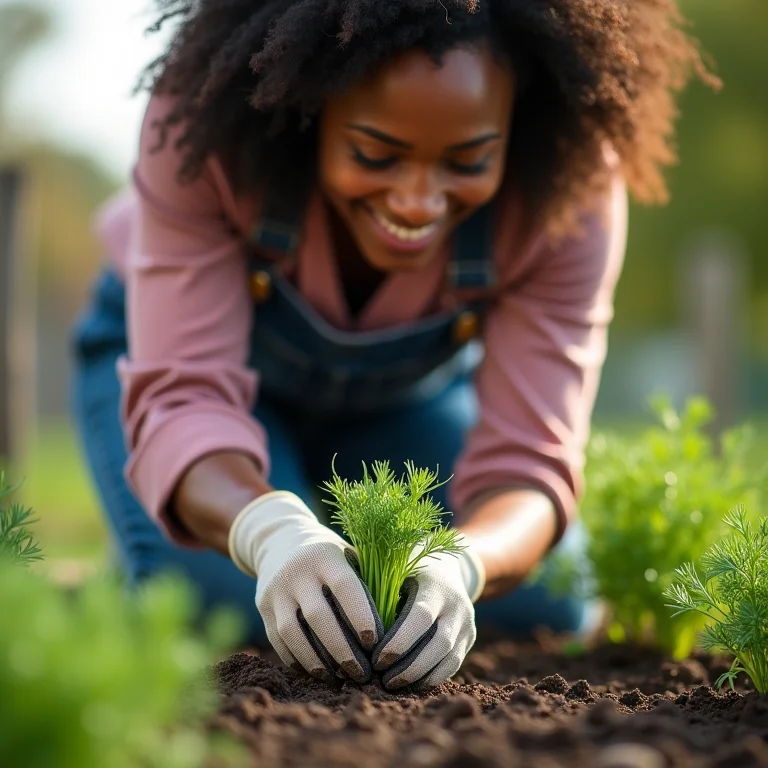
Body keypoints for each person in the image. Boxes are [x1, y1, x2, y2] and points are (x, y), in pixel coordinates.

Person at [70, 0, 714, 691]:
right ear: (312, 111)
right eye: (375, 154)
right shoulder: (204, 125)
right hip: (180, 381)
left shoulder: (568, 190)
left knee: (546, 600)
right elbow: (188, 399)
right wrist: (273, 531)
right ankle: (135, 557)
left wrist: (464, 562)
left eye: (468, 161)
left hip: (397, 402)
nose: (416, 201)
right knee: (216, 601)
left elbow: (528, 467)